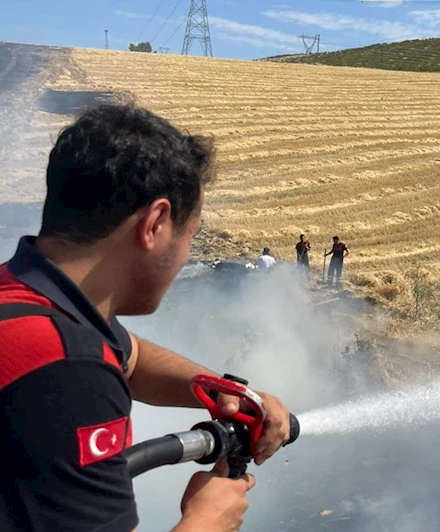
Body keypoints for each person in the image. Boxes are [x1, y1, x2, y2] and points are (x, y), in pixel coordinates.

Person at [0, 103, 292, 532]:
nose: (186, 254)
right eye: (189, 235)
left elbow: (129, 356)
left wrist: (226, 394)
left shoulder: (30, 301)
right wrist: (206, 520)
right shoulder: (67, 370)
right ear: (155, 224)